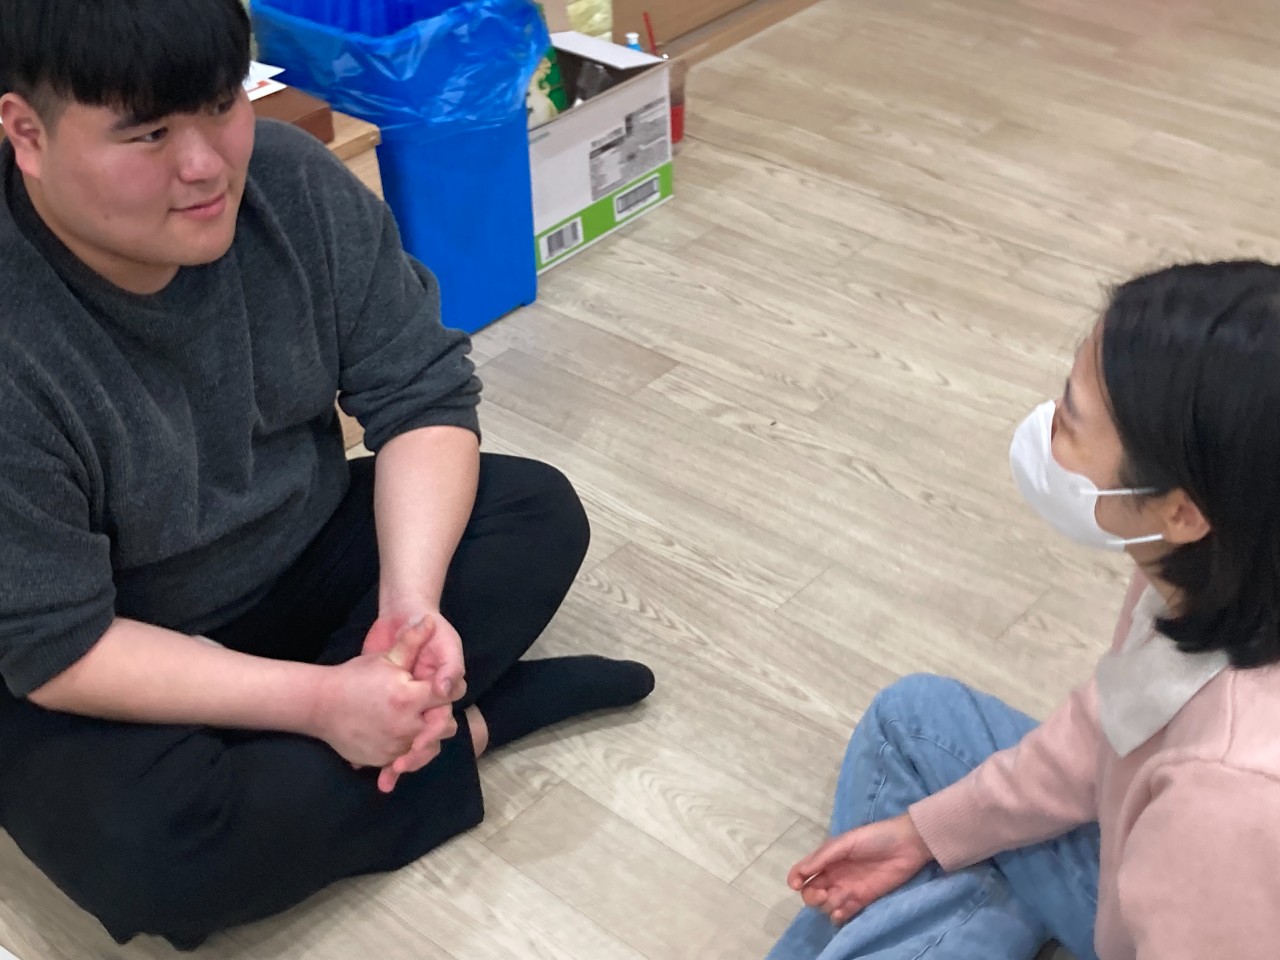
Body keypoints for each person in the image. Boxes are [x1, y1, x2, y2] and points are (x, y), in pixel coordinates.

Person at [0, 0, 654, 949]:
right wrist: (322, 704)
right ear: (27, 133)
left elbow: (423, 396)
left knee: (535, 511)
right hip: (116, 644)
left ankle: (357, 736)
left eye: (220, 104)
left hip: (300, 552)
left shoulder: (290, 180)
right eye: (148, 134)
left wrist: (409, 610)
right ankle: (469, 730)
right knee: (148, 854)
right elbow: (58, 646)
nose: (206, 165)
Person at [768, 260, 1280, 960]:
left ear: (1180, 511)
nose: (1045, 431)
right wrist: (925, 834)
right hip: (1156, 850)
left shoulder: (1226, 798)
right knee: (911, 720)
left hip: (1194, 883)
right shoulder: (1211, 565)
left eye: (1069, 420)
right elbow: (1117, 720)